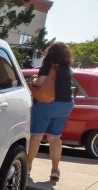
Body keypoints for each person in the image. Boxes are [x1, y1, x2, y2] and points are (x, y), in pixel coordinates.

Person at [26, 42, 74, 181]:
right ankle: (55, 170)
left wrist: (32, 82)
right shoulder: (67, 68)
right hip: (65, 105)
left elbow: (40, 83)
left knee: (36, 137)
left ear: (50, 52)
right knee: (54, 138)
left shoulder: (48, 64)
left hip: (46, 105)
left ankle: (28, 167)